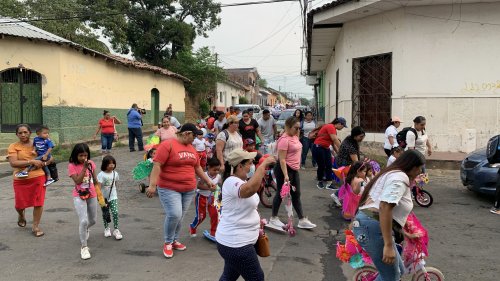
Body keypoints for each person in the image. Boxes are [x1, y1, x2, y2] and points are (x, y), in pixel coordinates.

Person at [146, 123, 216, 259]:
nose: (195, 138)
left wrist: (208, 181)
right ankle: (167, 242)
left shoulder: (192, 149)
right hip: (169, 187)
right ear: (186, 134)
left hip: (188, 189)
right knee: (174, 214)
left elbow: (197, 168)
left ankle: (174, 240)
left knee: (180, 216)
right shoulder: (167, 145)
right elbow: (157, 165)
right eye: (194, 135)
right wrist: (152, 185)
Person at [352, 150, 425, 281]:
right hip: (372, 228)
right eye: (420, 168)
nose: (420, 172)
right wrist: (388, 245)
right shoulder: (399, 178)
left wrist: (406, 234)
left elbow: (389, 213)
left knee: (398, 271)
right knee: (391, 277)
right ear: (412, 167)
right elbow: (384, 207)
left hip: (370, 225)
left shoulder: (392, 174)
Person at [215, 149, 276, 281]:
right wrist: (263, 164)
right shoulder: (231, 182)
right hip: (236, 244)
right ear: (240, 166)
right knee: (257, 278)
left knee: (229, 276)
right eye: (250, 163)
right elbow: (248, 190)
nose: (252, 166)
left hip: (238, 242)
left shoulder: (241, 181)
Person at [268, 117, 317, 230]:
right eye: (296, 128)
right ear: (288, 127)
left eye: (299, 128)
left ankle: (301, 220)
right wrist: (285, 175)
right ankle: (273, 218)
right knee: (282, 194)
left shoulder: (294, 136)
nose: (298, 130)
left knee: (296, 194)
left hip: (294, 170)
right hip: (284, 169)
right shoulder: (284, 139)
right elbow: (282, 159)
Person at [8, 124, 53, 237]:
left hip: (38, 176)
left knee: (38, 201)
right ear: (16, 134)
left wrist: (46, 162)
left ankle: (35, 226)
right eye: (20, 133)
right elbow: (13, 163)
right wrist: (31, 162)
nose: (23, 134)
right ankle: (21, 215)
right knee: (19, 204)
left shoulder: (39, 142)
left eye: (25, 132)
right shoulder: (13, 146)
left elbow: (50, 157)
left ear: (30, 133)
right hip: (20, 178)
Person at [68, 143, 99, 260]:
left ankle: (85, 229)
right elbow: (77, 181)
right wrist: (84, 168)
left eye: (85, 155)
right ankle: (84, 247)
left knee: (93, 220)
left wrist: (101, 195)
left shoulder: (91, 163)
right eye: (80, 155)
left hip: (92, 194)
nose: (83, 158)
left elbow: (95, 180)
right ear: (75, 155)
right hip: (79, 195)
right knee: (83, 220)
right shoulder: (72, 166)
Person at [189, 157, 222, 241]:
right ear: (209, 167)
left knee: (215, 215)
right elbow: (199, 186)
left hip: (213, 197)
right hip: (201, 197)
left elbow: (219, 186)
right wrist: (209, 188)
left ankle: (213, 233)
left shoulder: (218, 176)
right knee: (201, 216)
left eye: (218, 170)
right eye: (214, 170)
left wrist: (219, 196)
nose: (216, 172)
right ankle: (193, 226)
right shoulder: (204, 175)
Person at [312, 117, 347, 189]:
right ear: (339, 124)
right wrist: (343, 150)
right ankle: (320, 181)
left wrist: (339, 153)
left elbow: (333, 143)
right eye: (343, 126)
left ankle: (329, 183)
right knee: (321, 165)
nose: (343, 128)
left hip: (325, 148)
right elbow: (335, 139)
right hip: (318, 147)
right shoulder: (330, 126)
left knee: (329, 165)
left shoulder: (333, 129)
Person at [97, 155, 122, 240]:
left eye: (113, 164)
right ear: (105, 165)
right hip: (103, 198)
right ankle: (107, 228)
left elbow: (116, 183)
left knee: (115, 212)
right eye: (109, 164)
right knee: (105, 213)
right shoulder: (101, 175)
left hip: (113, 196)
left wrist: (114, 192)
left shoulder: (115, 173)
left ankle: (116, 229)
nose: (112, 165)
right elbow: (98, 188)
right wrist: (100, 199)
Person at [216, 115, 244, 181]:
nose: (238, 125)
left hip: (239, 164)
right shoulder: (223, 134)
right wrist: (222, 164)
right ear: (230, 124)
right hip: (228, 165)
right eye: (236, 123)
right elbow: (219, 151)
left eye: (238, 123)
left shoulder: (238, 134)